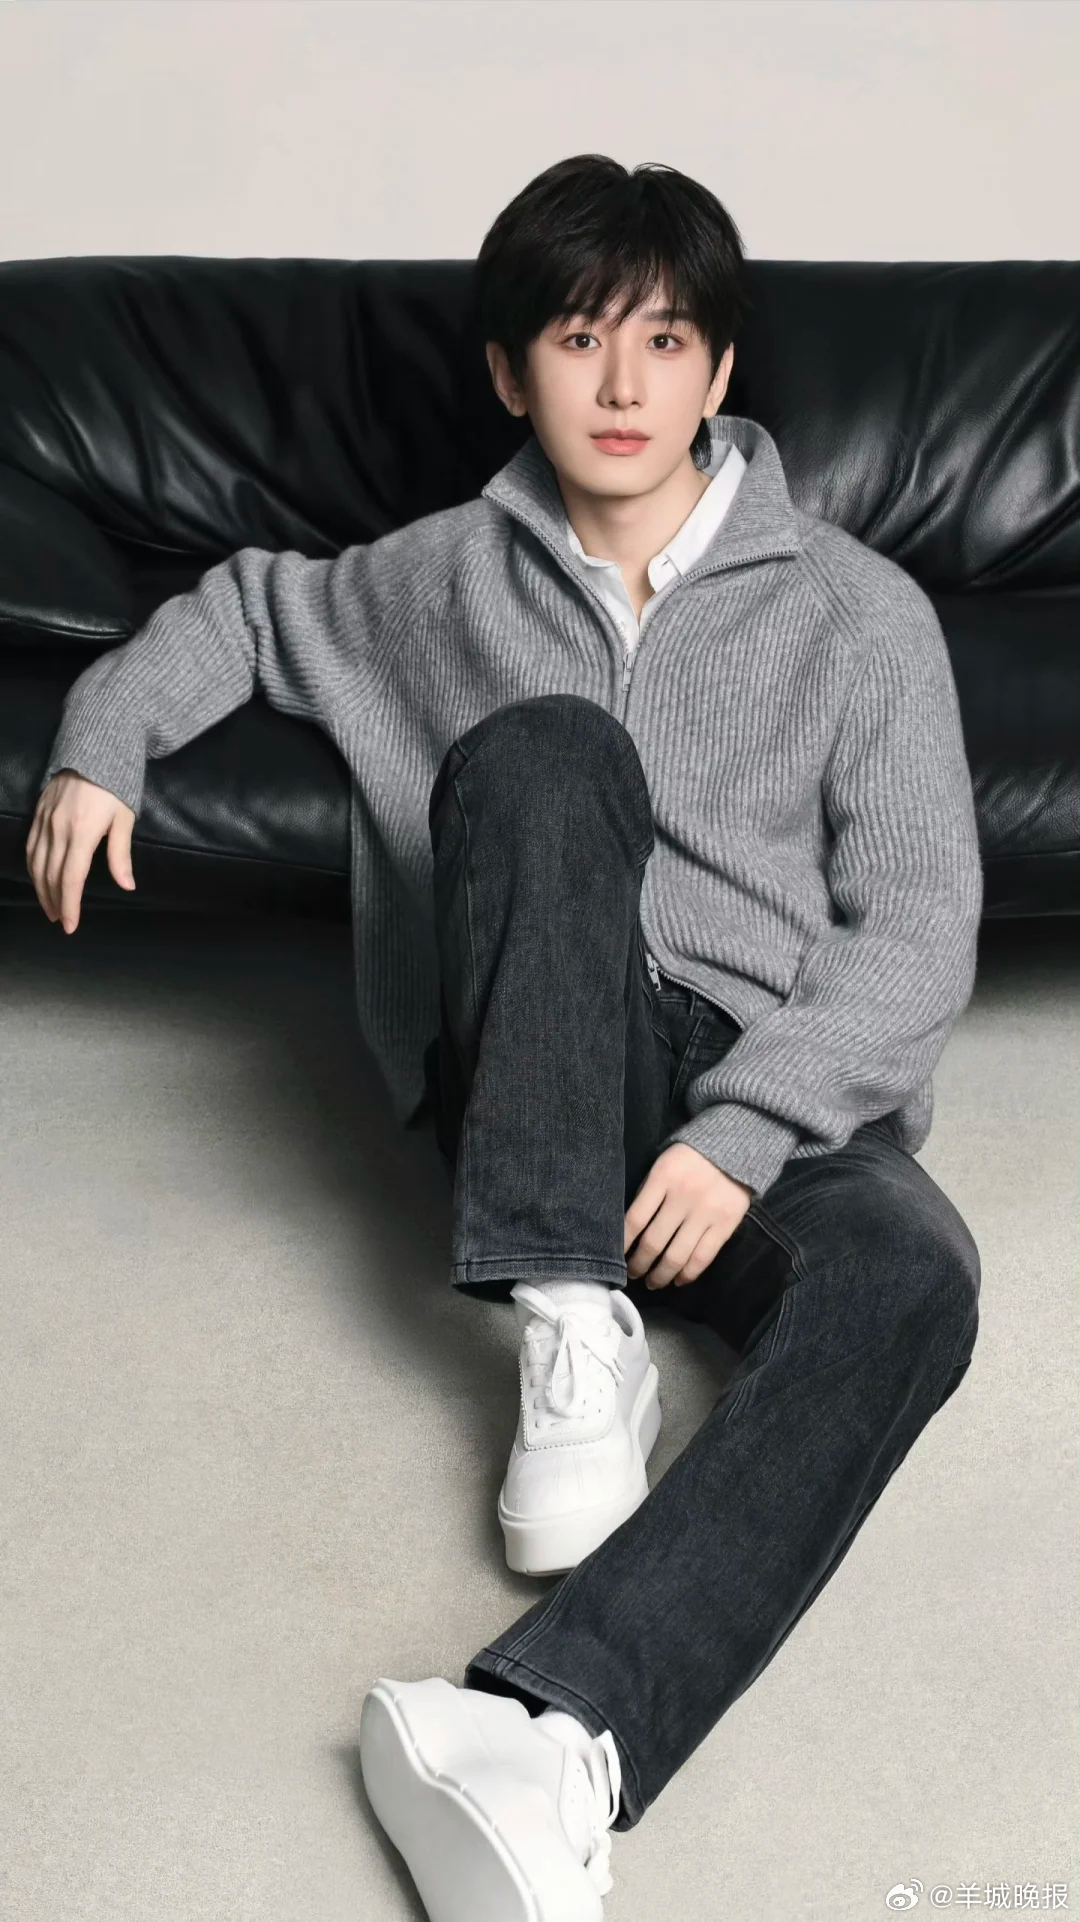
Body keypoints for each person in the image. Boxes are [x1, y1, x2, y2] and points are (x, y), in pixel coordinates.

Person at [26, 155, 984, 1922]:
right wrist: (101, 741)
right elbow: (244, 605)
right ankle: (566, 1316)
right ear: (505, 370)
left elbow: (921, 930)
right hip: (534, 1068)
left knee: (920, 1277)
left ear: (720, 370)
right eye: (576, 337)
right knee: (549, 746)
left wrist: (745, 1130)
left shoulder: (860, 612)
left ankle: (550, 1733)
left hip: (758, 1100)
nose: (622, 385)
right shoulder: (441, 576)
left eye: (667, 342)